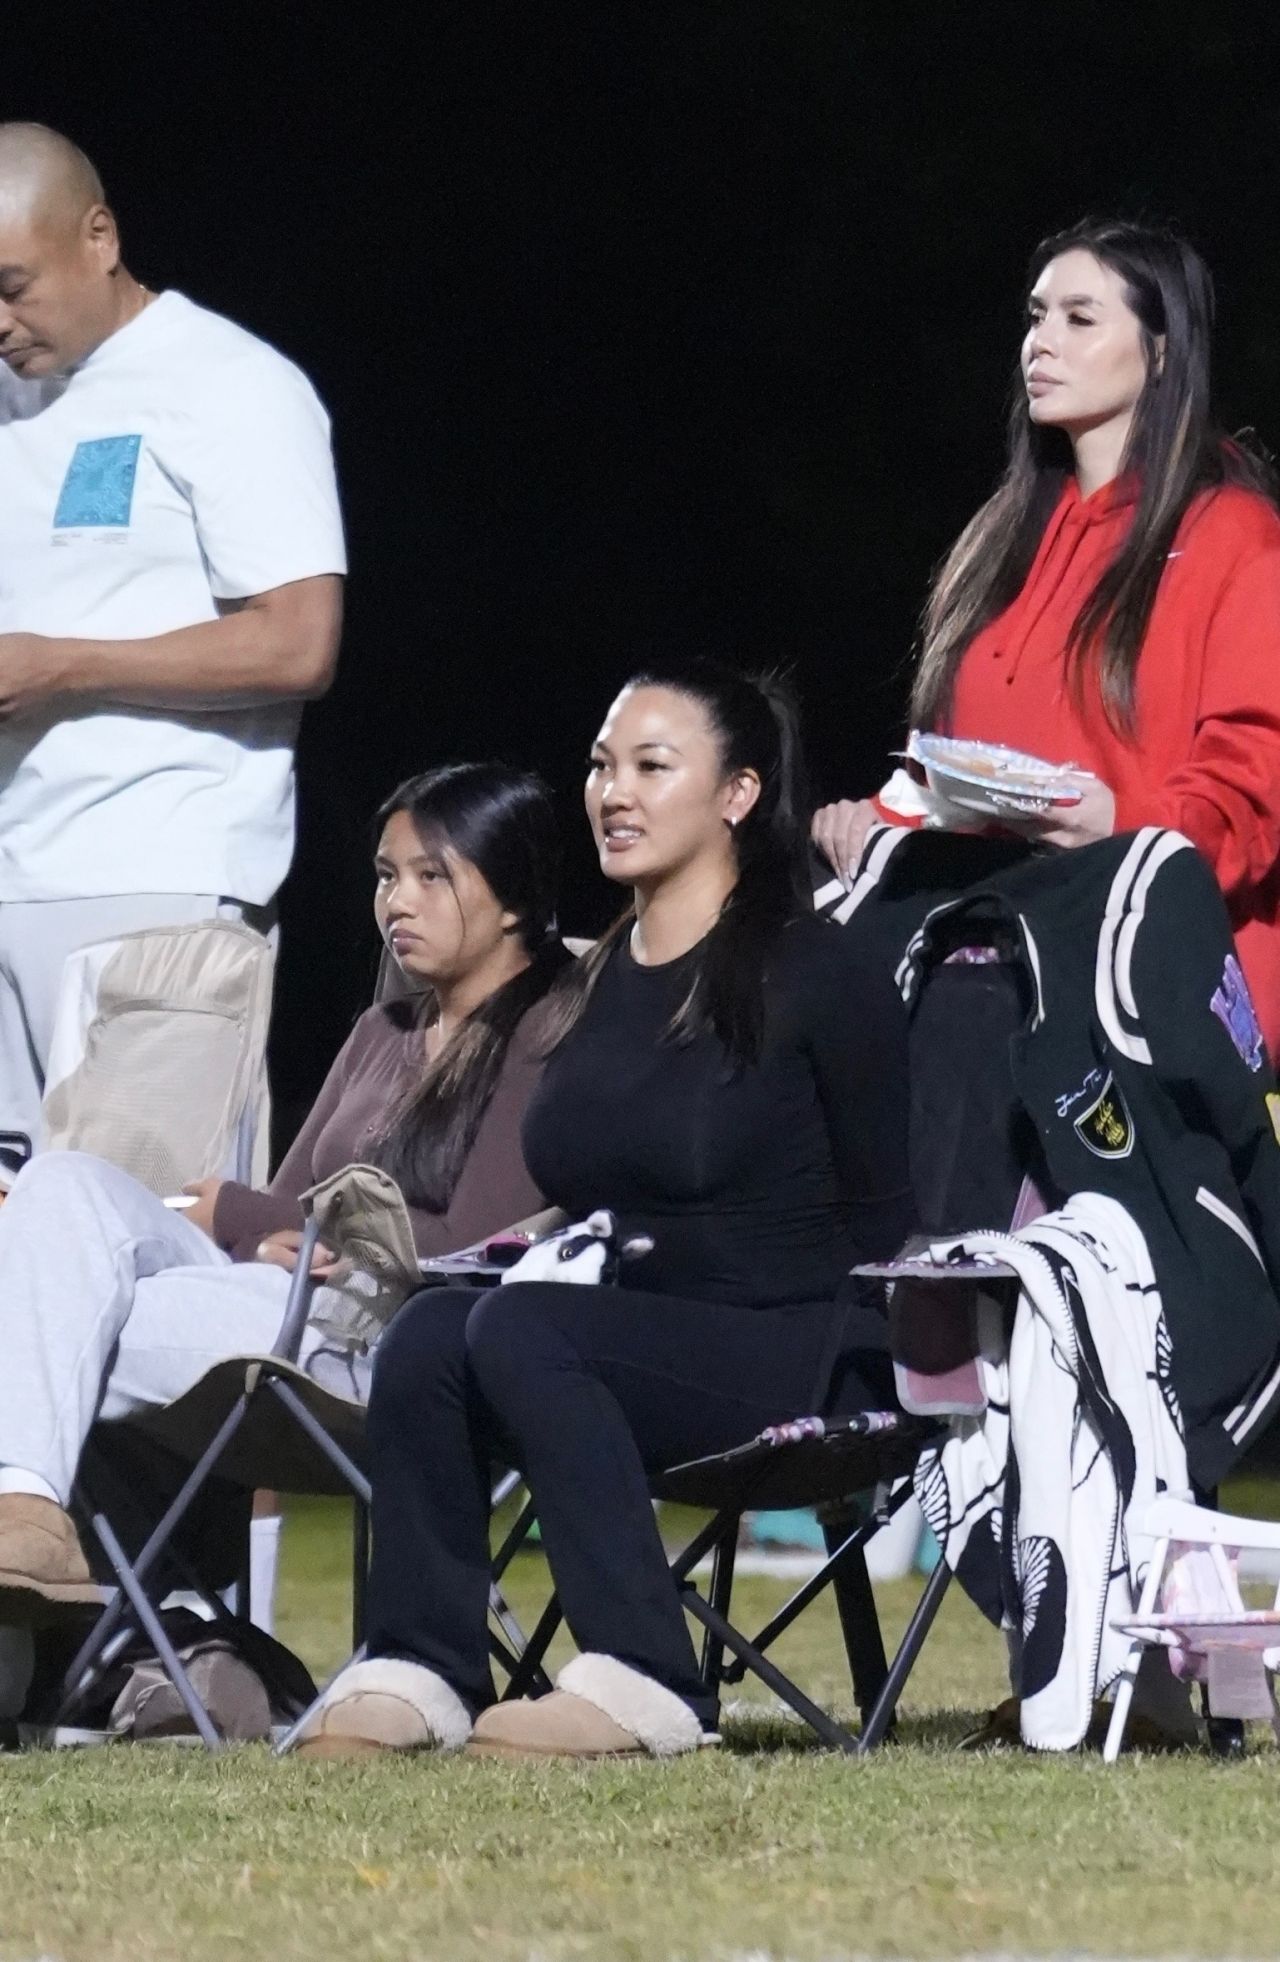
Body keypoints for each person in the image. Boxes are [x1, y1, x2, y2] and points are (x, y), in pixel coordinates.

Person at [294, 661, 914, 1763]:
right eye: (598, 765)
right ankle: (421, 1664)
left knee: (527, 1329)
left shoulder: (815, 966)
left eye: (649, 766)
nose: (611, 792)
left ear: (735, 794)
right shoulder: (597, 975)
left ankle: (643, 1679)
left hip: (802, 1345)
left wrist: (877, 1367)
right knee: (434, 1332)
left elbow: (886, 1207)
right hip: (638, 1333)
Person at [0, 763, 563, 1628]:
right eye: (386, 877)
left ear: (515, 898)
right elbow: (289, 1206)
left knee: (54, 1308)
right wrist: (255, 1227)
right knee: (60, 1184)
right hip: (275, 1296)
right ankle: (23, 1511)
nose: (396, 904)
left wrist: (233, 1213)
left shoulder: (547, 1038)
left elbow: (466, 1242)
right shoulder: (382, 1032)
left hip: (376, 1334)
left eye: (430, 876)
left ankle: (146, 1619)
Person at [812, 219, 1280, 1051]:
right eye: (1035, 316)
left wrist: (1121, 818)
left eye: (1079, 318)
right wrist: (881, 817)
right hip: (997, 949)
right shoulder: (1005, 538)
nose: (1041, 343)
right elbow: (961, 762)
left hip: (1146, 970)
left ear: (1164, 351)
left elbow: (1254, 791)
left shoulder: (1234, 534)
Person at [0, 123, 346, 1180]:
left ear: (98, 236)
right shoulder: (11, 406)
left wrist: (59, 665)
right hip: (15, 879)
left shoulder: (229, 384)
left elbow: (298, 642)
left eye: (14, 285)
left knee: (138, 1253)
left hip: (158, 886)